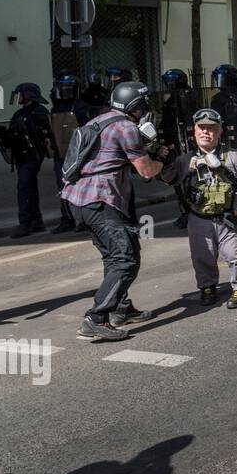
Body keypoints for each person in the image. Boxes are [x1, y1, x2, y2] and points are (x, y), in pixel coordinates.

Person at [61, 81, 171, 341]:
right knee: (125, 259)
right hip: (102, 200)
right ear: (136, 106)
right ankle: (96, 318)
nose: (147, 110)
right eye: (144, 105)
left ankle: (121, 308)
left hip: (78, 199)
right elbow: (146, 171)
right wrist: (162, 157)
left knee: (112, 257)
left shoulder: (99, 121)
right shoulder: (126, 127)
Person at [158, 109, 237, 308]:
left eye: (211, 129)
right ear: (194, 132)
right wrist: (167, 159)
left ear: (219, 132)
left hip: (229, 217)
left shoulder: (235, 158)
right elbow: (166, 178)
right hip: (199, 217)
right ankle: (207, 287)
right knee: (202, 256)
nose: (206, 132)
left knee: (236, 255)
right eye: (201, 128)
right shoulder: (185, 160)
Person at [1, 83, 55, 238]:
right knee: (29, 187)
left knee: (24, 187)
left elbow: (42, 135)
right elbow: (13, 135)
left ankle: (25, 223)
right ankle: (36, 221)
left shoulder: (39, 112)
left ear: (28, 95)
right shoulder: (19, 113)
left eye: (20, 94)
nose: (17, 98)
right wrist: (5, 136)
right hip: (21, 156)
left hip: (32, 155)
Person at [49, 71, 91, 233]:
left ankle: (82, 219)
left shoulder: (82, 106)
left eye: (69, 88)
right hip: (61, 152)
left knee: (79, 186)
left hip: (78, 152)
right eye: (63, 88)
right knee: (62, 187)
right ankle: (67, 218)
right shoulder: (56, 108)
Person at [159, 69, 199, 229]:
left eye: (171, 82)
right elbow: (167, 125)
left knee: (189, 181)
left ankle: (193, 212)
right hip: (177, 145)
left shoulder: (186, 99)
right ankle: (187, 212)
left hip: (186, 146)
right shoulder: (173, 101)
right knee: (180, 181)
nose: (168, 85)